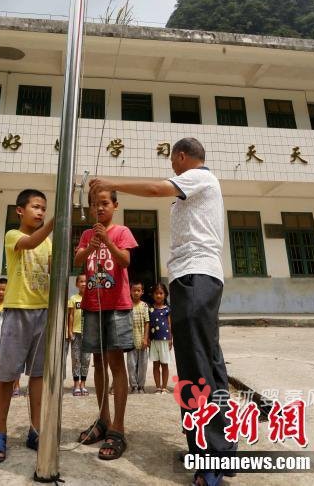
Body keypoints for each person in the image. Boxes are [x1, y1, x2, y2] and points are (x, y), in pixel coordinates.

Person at [89, 137, 235, 486]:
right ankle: (220, 449)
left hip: (195, 277)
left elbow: (156, 188)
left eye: (173, 161)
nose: (172, 168)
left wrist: (111, 182)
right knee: (209, 361)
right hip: (198, 277)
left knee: (195, 365)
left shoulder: (200, 177)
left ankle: (209, 458)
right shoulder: (198, 187)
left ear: (183, 157)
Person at [0, 189, 53, 464]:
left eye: (44, 209)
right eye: (36, 207)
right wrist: (56, 221)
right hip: (18, 312)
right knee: (6, 376)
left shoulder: (50, 242)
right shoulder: (13, 235)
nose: (40, 212)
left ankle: (35, 430)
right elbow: (31, 242)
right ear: (20, 211)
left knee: (37, 376)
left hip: (44, 313)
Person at [74, 188, 137, 461]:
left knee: (116, 364)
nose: (98, 208)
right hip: (92, 306)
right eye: (93, 205)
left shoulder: (122, 231)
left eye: (104, 203)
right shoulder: (87, 235)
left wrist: (108, 243)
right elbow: (77, 260)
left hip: (117, 306)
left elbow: (124, 260)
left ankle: (118, 428)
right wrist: (91, 246)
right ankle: (103, 420)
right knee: (98, 363)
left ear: (115, 205)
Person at [148, 282, 172, 394]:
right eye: (156, 293)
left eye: (161, 293)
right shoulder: (150, 309)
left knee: (164, 364)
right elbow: (147, 324)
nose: (158, 295)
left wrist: (171, 338)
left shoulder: (167, 309)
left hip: (164, 340)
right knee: (155, 364)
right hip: (153, 340)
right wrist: (147, 338)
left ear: (165, 295)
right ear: (153, 295)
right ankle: (158, 387)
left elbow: (170, 324)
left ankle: (164, 387)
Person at [126, 281, 149, 393]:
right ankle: (134, 386)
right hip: (130, 341)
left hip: (142, 340)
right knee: (131, 365)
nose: (136, 292)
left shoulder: (144, 306)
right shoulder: (127, 305)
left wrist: (145, 338)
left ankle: (141, 385)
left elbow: (147, 323)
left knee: (143, 364)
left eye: (138, 290)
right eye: (134, 290)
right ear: (130, 291)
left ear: (142, 292)